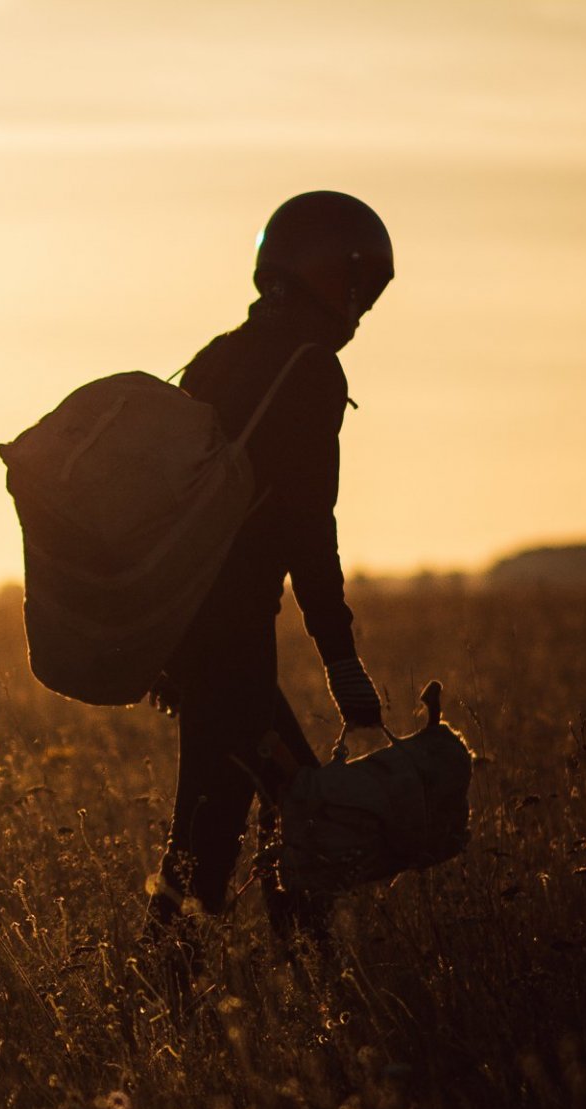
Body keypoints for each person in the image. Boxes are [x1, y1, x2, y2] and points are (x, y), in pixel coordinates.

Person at [145, 191, 392, 942]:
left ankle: (288, 982)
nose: (363, 310)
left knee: (269, 805)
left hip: (185, 624)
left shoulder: (221, 353)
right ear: (333, 275)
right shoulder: (310, 368)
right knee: (240, 822)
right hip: (230, 638)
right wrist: (341, 660)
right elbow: (306, 527)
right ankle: (205, 991)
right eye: (362, 290)